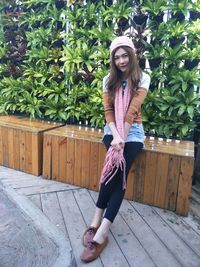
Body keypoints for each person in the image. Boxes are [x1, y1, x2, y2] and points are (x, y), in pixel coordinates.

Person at [80, 35, 150, 263]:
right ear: (112, 59)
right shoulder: (107, 80)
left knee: (118, 176)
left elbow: (131, 111)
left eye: (124, 55)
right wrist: (116, 136)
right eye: (117, 57)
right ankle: (95, 219)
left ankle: (101, 230)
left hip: (134, 131)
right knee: (110, 173)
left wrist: (124, 137)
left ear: (132, 55)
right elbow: (108, 111)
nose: (121, 61)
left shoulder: (142, 78)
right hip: (112, 131)